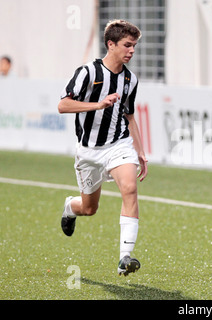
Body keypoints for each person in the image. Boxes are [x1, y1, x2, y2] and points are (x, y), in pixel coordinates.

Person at [58, 20, 148, 276]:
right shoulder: (87, 72)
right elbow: (63, 105)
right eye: (127, 45)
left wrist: (140, 152)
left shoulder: (130, 79)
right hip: (88, 151)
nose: (131, 51)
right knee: (89, 208)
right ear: (111, 44)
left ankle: (124, 258)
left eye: (134, 46)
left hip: (118, 144)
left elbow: (129, 116)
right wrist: (97, 105)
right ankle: (69, 208)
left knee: (130, 189)